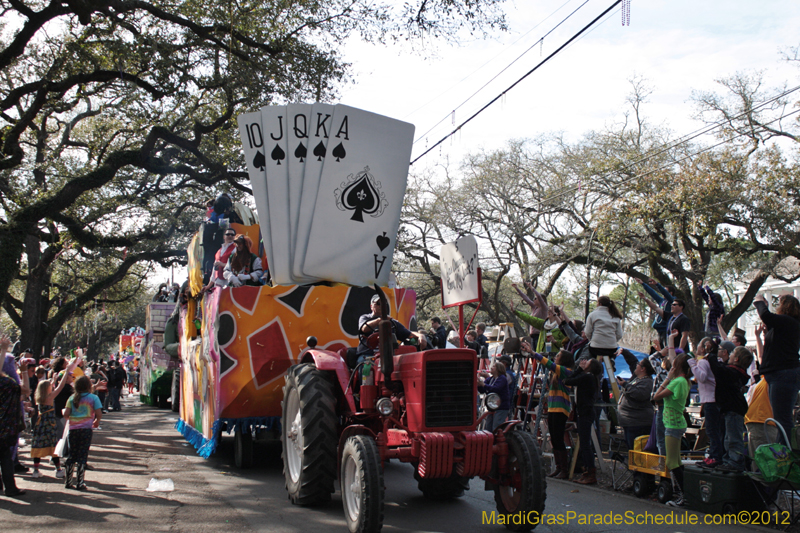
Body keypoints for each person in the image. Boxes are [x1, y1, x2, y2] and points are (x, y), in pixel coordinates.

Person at [753, 293, 800, 446]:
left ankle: (786, 453)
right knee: (780, 417)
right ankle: (783, 450)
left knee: (783, 418)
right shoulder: (786, 325)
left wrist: (759, 301)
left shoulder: (788, 321)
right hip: (778, 373)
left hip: (783, 373)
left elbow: (766, 315)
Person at [524, 341, 574, 479]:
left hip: (561, 409)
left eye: (558, 355)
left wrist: (534, 353)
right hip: (553, 408)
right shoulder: (557, 373)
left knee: (558, 438)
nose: (556, 357)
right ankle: (559, 467)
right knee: (554, 437)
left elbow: (549, 364)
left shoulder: (565, 371)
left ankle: (563, 468)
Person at [653, 331, 691, 507]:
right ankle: (683, 494)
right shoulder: (684, 381)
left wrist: (666, 378)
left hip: (673, 424)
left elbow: (656, 396)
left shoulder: (676, 382)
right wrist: (671, 339)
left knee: (671, 461)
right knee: (675, 460)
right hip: (675, 423)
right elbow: (672, 356)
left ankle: (684, 495)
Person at [30, 357, 79, 479]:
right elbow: (61, 386)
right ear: (48, 389)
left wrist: (53, 379)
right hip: (50, 423)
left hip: (40, 423)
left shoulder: (40, 398)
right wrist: (66, 372)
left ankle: (35, 470)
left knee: (38, 445)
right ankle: (58, 469)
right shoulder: (51, 397)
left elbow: (49, 385)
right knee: (54, 446)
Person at [708, 345, 753, 472]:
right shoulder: (737, 373)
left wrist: (712, 355)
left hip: (733, 409)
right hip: (730, 410)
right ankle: (728, 460)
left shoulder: (733, 373)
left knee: (733, 438)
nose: (730, 355)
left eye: (733, 353)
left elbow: (718, 370)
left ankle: (735, 462)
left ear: (737, 359)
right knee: (728, 438)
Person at [563, 357, 603, 484]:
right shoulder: (592, 378)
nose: (585, 364)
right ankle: (587, 471)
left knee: (585, 445)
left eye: (587, 363)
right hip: (585, 412)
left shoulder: (587, 377)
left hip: (585, 413)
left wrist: (579, 368)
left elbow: (567, 381)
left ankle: (590, 472)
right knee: (585, 443)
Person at [356, 294, 426, 363]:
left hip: (388, 355)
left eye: (383, 303)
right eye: (378, 303)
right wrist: (380, 320)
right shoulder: (365, 318)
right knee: (366, 367)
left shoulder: (392, 322)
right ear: (371, 306)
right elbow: (364, 328)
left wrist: (420, 336)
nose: (381, 306)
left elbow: (408, 334)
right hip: (368, 354)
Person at [687, 338, 723, 468]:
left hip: (709, 400)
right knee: (716, 430)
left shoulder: (703, 361)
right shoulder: (714, 361)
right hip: (714, 399)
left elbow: (701, 377)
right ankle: (717, 455)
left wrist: (692, 364)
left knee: (712, 430)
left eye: (698, 347)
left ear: (703, 348)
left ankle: (715, 457)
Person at [1, 334, 29, 497]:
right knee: (5, 458)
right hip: (7, 426)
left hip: (6, 426)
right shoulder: (8, 383)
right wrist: (24, 372)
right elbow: (25, 390)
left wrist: (3, 350)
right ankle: (10, 488)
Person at [62, 376, 102, 490]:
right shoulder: (93, 398)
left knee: (72, 454)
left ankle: (68, 481)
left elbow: (66, 414)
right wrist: (96, 421)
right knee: (82, 455)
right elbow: (99, 413)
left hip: (73, 429)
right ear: (89, 386)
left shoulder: (72, 398)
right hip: (86, 430)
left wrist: (73, 419)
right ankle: (80, 482)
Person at [616, 349, 655, 450]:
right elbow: (632, 361)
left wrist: (625, 384)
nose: (637, 365)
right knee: (631, 448)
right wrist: (624, 352)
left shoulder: (647, 382)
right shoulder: (636, 378)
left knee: (636, 450)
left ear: (643, 369)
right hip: (630, 422)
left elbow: (639, 394)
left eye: (639, 364)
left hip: (638, 423)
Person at [636, 278, 676, 347]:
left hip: (666, 330)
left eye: (665, 291)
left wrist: (657, 285)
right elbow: (653, 293)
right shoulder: (662, 301)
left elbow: (666, 294)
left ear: (671, 293)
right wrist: (643, 284)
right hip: (659, 329)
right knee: (660, 348)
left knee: (666, 348)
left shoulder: (672, 301)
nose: (662, 292)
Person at [478, 361, 510, 431]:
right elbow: (483, 390)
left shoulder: (502, 378)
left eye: (494, 366)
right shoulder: (491, 379)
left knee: (496, 426)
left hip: (501, 407)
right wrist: (478, 384)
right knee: (488, 426)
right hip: (492, 407)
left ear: (499, 369)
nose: (491, 368)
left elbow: (496, 389)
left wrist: (483, 384)